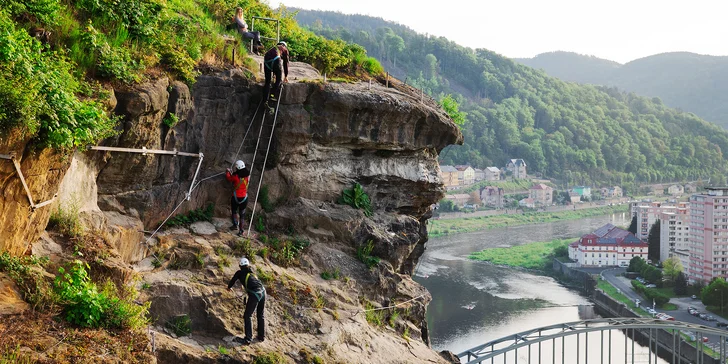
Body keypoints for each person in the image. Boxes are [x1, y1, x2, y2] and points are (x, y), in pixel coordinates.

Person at [228, 257, 266, 345]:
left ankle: (248, 339)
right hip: (263, 292)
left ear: (240, 266)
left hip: (255, 294)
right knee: (260, 314)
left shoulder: (239, 273)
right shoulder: (252, 272)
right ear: (248, 265)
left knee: (247, 315)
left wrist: (229, 287)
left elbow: (233, 281)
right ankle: (261, 337)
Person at [226, 160, 250, 236]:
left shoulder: (235, 176)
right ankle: (241, 231)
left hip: (236, 197)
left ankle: (235, 225)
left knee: (234, 211)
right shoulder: (247, 176)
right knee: (242, 214)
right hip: (244, 198)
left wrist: (227, 172)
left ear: (237, 168)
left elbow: (230, 179)